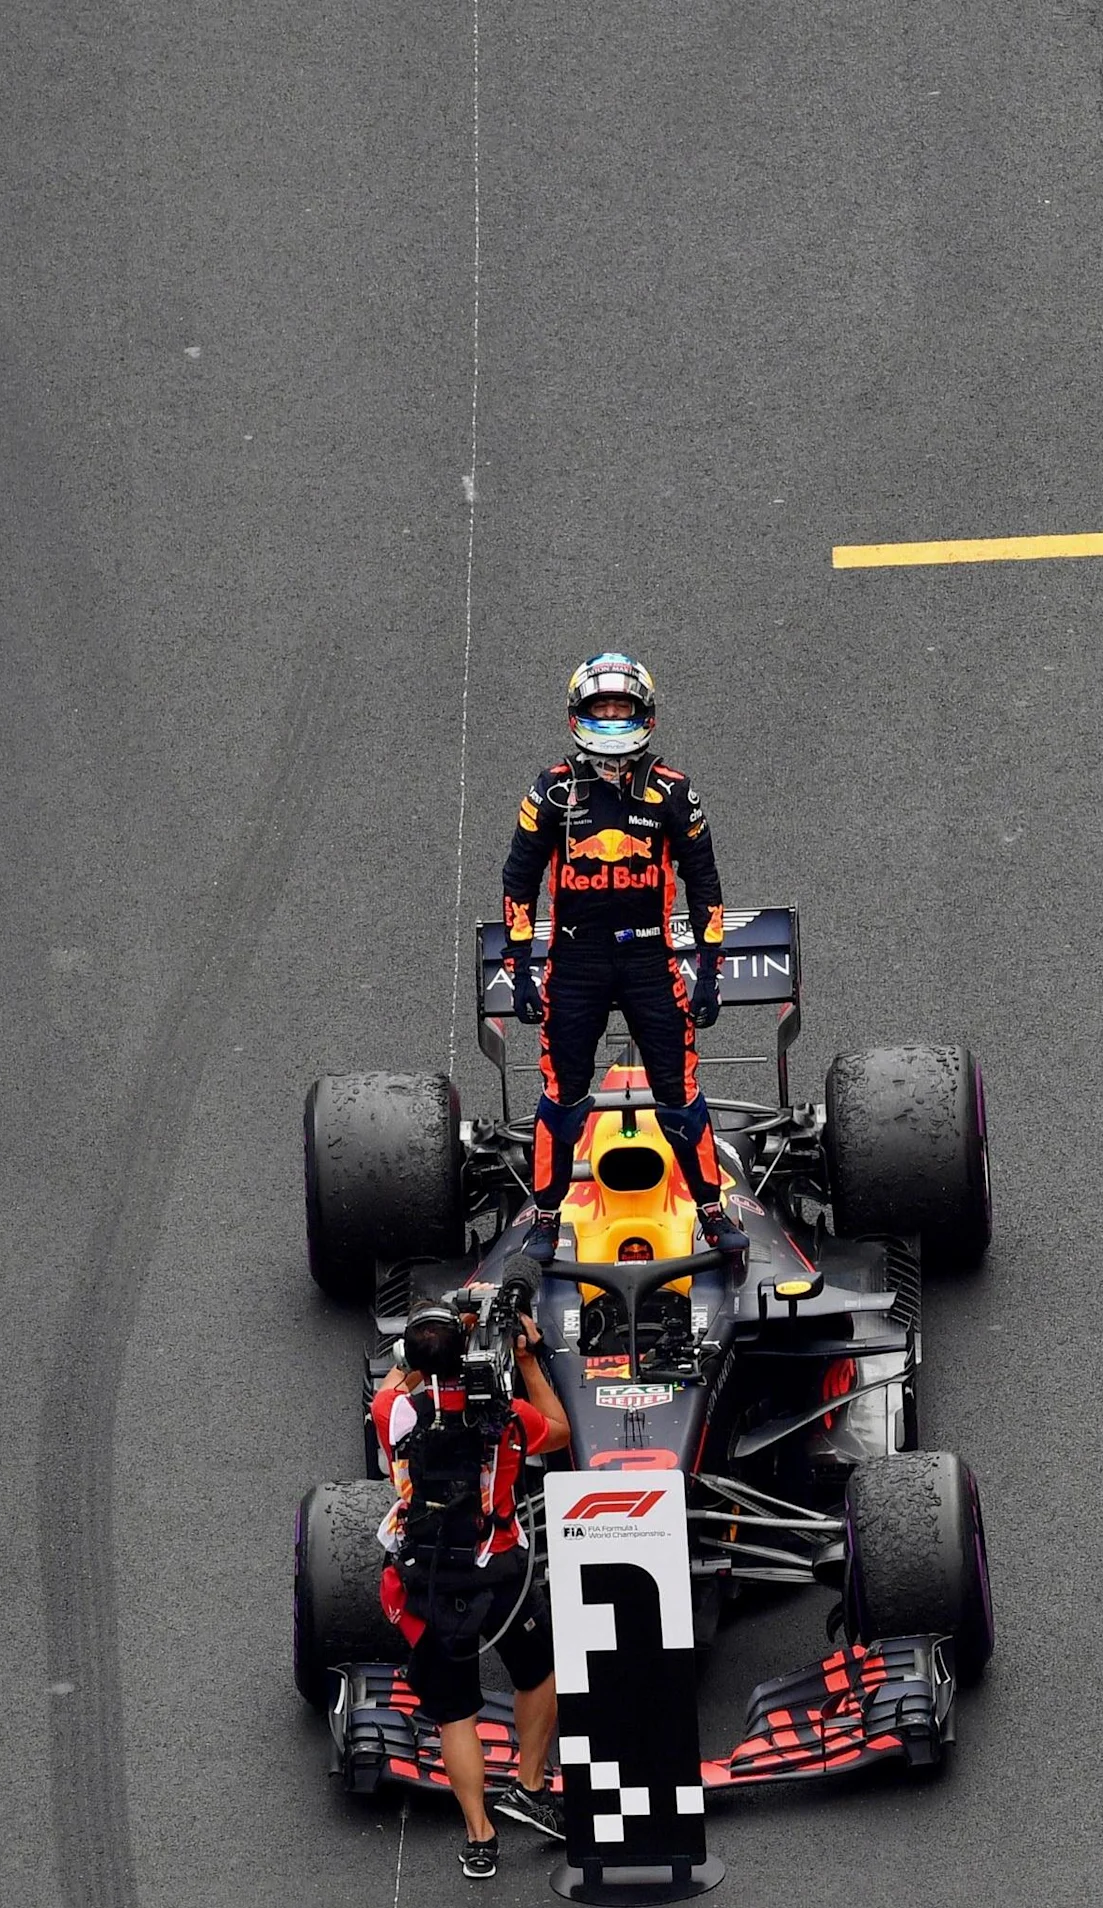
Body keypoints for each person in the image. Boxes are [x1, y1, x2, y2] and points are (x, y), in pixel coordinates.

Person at [497, 653, 745, 1260]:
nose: (611, 717)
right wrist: (521, 969)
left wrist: (709, 970)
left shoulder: (674, 792)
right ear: (578, 714)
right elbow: (518, 881)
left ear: (644, 715)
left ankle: (711, 1212)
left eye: (621, 707)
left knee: (680, 1092)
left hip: (649, 963)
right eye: (600, 707)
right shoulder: (550, 790)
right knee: (561, 1095)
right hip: (574, 965)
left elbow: (705, 885)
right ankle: (546, 1218)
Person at [374, 1294, 574, 1879]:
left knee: (456, 1714)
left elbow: (393, 1381)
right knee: (539, 1672)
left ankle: (480, 1838)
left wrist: (429, 1346)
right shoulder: (507, 1415)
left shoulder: (395, 1411)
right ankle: (531, 1787)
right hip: (500, 1574)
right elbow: (560, 1433)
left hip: (426, 1582)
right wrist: (528, 1360)